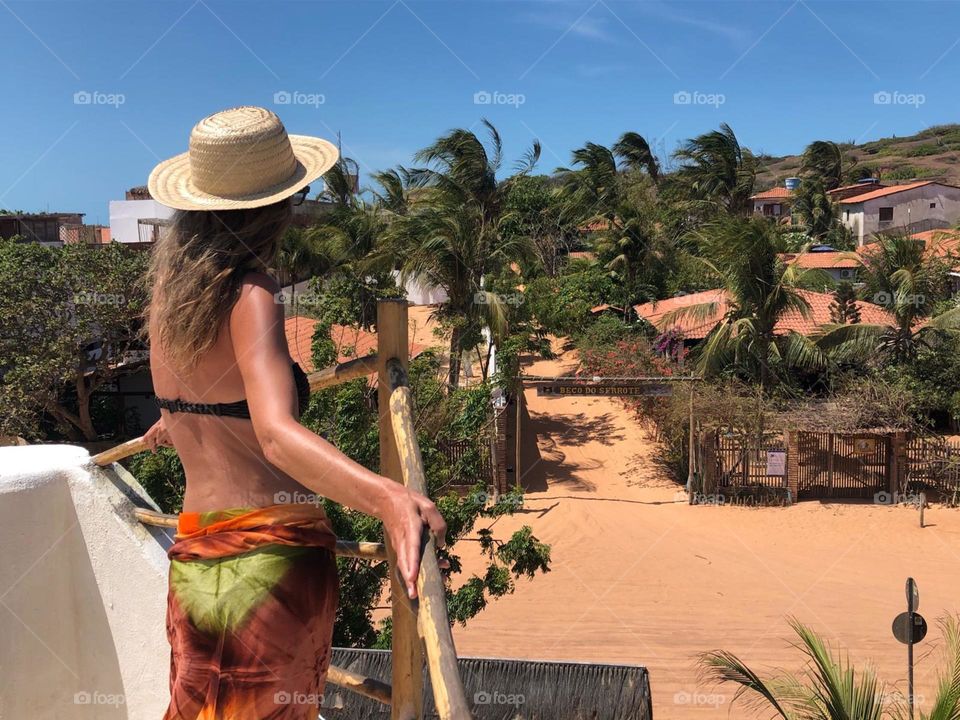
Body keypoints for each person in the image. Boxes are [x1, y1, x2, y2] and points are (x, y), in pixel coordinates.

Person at [143, 106, 446, 720]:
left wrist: (171, 424)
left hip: (196, 554)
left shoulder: (169, 304)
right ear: (275, 206)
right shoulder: (250, 295)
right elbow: (275, 436)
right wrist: (387, 497)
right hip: (269, 557)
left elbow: (199, 405)